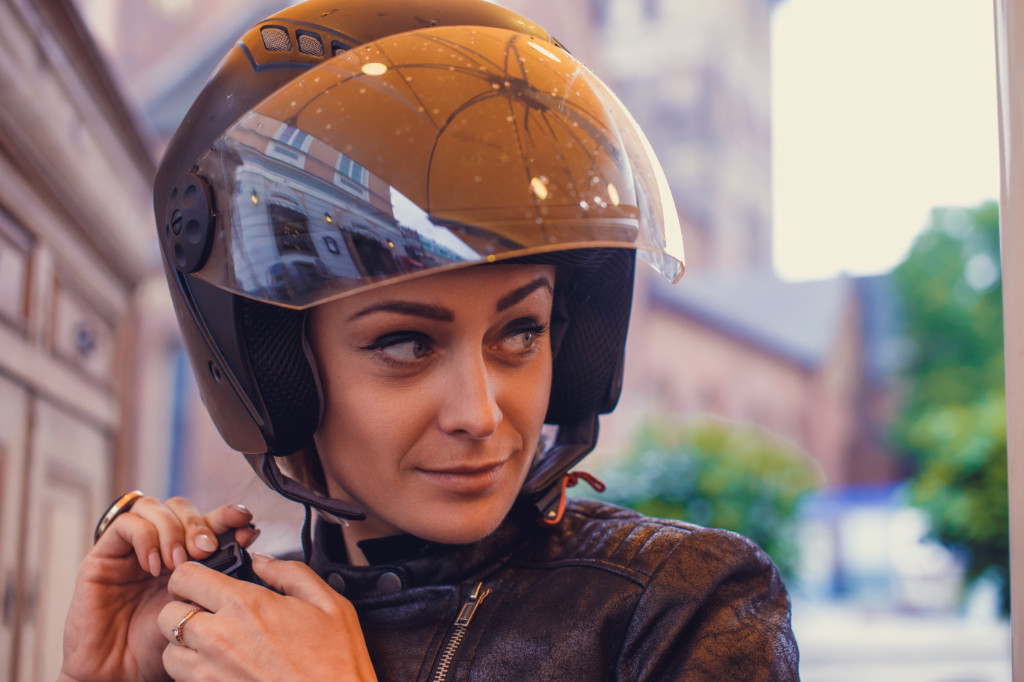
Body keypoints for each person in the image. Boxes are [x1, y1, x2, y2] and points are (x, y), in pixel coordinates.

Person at [59, 0, 799, 679]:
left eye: (520, 333)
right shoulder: (230, 631)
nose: (480, 414)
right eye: (407, 345)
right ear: (273, 372)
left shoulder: (678, 605)